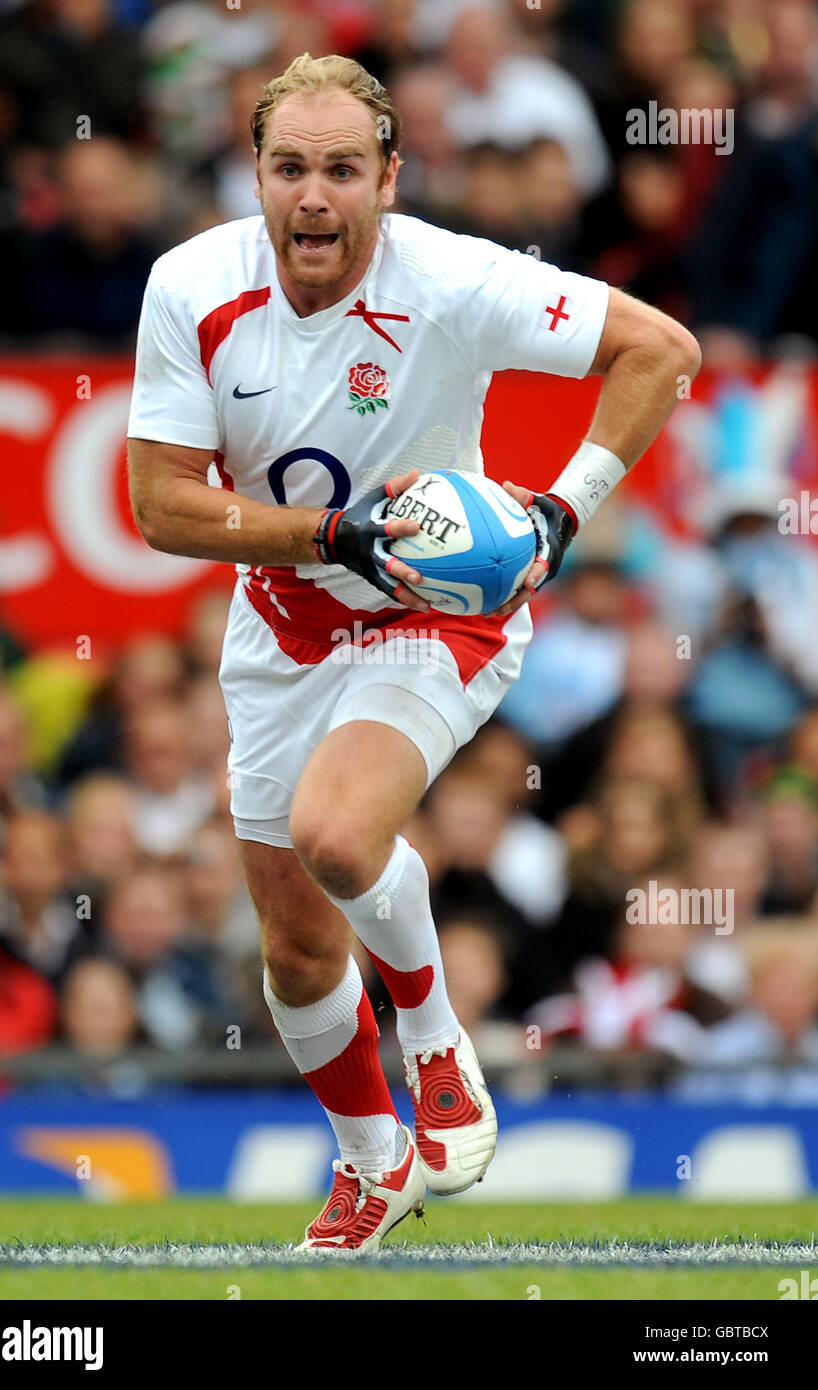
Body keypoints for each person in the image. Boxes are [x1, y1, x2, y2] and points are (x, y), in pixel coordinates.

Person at [126, 52, 700, 1253]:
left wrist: (558, 512)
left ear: (389, 178)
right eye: (290, 168)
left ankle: (434, 1033)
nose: (314, 196)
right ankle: (372, 1165)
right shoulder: (189, 287)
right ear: (258, 175)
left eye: (343, 168)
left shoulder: (454, 276)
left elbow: (663, 350)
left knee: (338, 837)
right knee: (291, 946)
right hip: (282, 615)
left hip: (435, 606)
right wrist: (326, 537)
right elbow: (161, 504)